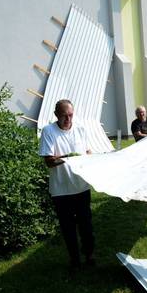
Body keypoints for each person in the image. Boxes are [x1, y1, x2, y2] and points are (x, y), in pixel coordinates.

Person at [39, 100, 94, 273]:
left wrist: (91, 159)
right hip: (61, 191)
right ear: (56, 115)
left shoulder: (80, 130)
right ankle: (75, 260)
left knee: (86, 226)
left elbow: (87, 152)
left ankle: (90, 256)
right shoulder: (49, 131)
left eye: (71, 115)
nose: (68, 119)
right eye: (64, 116)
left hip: (81, 187)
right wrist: (68, 156)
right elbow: (49, 161)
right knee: (68, 228)